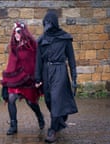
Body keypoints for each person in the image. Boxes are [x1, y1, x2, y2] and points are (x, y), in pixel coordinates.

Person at [35, 10, 78, 143]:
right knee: (48, 98)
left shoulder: (64, 38)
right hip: (46, 71)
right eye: (45, 23)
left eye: (49, 22)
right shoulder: (42, 40)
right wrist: (37, 78)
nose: (47, 25)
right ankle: (60, 118)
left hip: (60, 70)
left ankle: (52, 130)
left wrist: (74, 78)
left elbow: (71, 59)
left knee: (55, 99)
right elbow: (38, 60)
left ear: (54, 23)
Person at [1, 21, 45, 135]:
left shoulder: (31, 46)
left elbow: (35, 63)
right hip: (16, 79)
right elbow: (11, 64)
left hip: (28, 79)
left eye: (19, 32)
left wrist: (38, 78)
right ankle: (13, 125)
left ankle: (40, 117)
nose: (16, 35)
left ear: (24, 32)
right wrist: (7, 80)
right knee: (11, 98)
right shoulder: (14, 47)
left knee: (31, 102)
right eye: (15, 32)